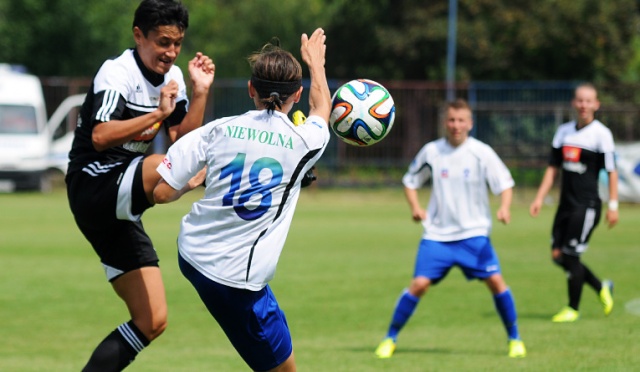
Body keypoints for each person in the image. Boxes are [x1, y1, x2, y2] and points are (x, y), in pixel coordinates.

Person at [153, 28, 330, 371]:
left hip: (192, 254)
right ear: (297, 93)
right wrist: (315, 63)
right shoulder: (304, 141)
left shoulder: (216, 130)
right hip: (236, 281)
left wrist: (194, 181)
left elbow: (161, 192)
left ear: (251, 89)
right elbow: (322, 107)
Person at [65, 0, 215, 370]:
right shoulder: (117, 73)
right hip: (93, 184)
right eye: (163, 42)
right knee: (163, 173)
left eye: (177, 43)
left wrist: (199, 93)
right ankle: (183, 185)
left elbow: (182, 141)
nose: (171, 52)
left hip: (122, 199)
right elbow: (100, 136)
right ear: (138, 35)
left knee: (153, 320)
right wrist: (157, 115)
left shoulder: (173, 78)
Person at [375, 99, 526, 359]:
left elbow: (505, 183)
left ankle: (515, 339)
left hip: (474, 234)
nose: (456, 125)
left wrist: (505, 207)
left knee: (496, 281)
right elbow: (410, 182)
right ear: (445, 122)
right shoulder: (432, 151)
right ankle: (390, 338)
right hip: (438, 236)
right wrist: (415, 207)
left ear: (470, 123)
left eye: (461, 120)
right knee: (418, 285)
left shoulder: (482, 152)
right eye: (452, 120)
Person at [529, 83, 617, 323]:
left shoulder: (602, 134)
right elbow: (552, 168)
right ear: (573, 103)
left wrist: (613, 206)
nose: (584, 105)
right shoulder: (564, 132)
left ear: (596, 105)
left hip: (586, 206)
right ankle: (602, 287)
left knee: (570, 256)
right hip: (565, 205)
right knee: (558, 255)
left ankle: (572, 308)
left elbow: (612, 171)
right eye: (580, 100)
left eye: (589, 101)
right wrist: (539, 198)